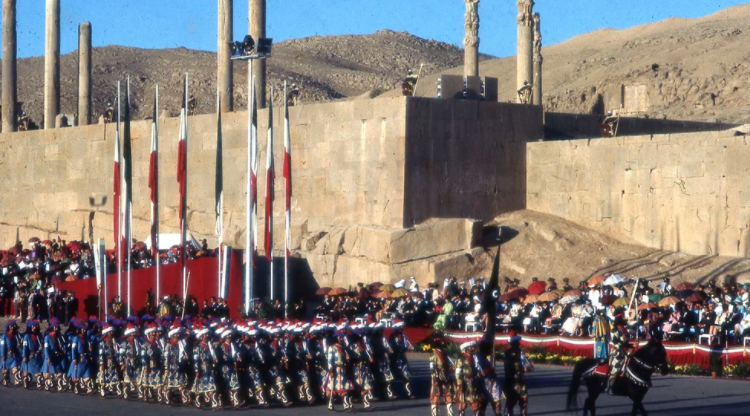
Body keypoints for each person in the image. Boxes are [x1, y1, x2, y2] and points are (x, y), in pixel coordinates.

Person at [502, 332, 531, 416]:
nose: (518, 344)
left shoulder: (520, 352)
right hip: (512, 380)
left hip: (521, 380)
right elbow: (513, 367)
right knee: (512, 400)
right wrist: (525, 368)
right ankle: (508, 412)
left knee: (524, 399)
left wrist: (529, 366)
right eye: (516, 343)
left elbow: (525, 363)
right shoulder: (509, 354)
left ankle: (523, 413)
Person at [605, 313, 631, 395]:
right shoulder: (615, 330)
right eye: (623, 317)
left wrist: (631, 345)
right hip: (618, 351)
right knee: (616, 369)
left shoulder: (624, 329)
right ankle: (609, 387)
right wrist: (627, 346)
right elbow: (616, 342)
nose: (624, 318)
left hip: (626, 350)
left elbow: (626, 340)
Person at [430, 336, 455, 416]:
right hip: (437, 378)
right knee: (435, 398)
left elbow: (446, 366)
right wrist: (435, 379)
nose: (443, 342)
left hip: (446, 378)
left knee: (449, 397)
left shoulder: (444, 353)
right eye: (441, 341)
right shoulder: (434, 354)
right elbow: (432, 368)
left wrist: (451, 368)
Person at [21, 320, 43, 390]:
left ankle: (39, 384)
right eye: (32, 326)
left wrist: (40, 349)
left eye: (35, 326)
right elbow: (24, 347)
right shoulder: (27, 336)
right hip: (29, 355)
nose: (34, 328)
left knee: (38, 370)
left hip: (36, 355)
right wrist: (24, 356)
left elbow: (40, 344)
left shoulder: (38, 335)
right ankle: (25, 383)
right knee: (26, 370)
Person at [1, 320, 21, 386]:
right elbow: (2, 346)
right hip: (7, 355)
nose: (13, 327)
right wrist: (3, 355)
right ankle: (6, 380)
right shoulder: (4, 336)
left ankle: (16, 380)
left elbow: (17, 346)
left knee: (15, 368)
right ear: (9, 327)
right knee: (5, 369)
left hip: (14, 354)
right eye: (12, 326)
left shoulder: (16, 335)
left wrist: (18, 345)